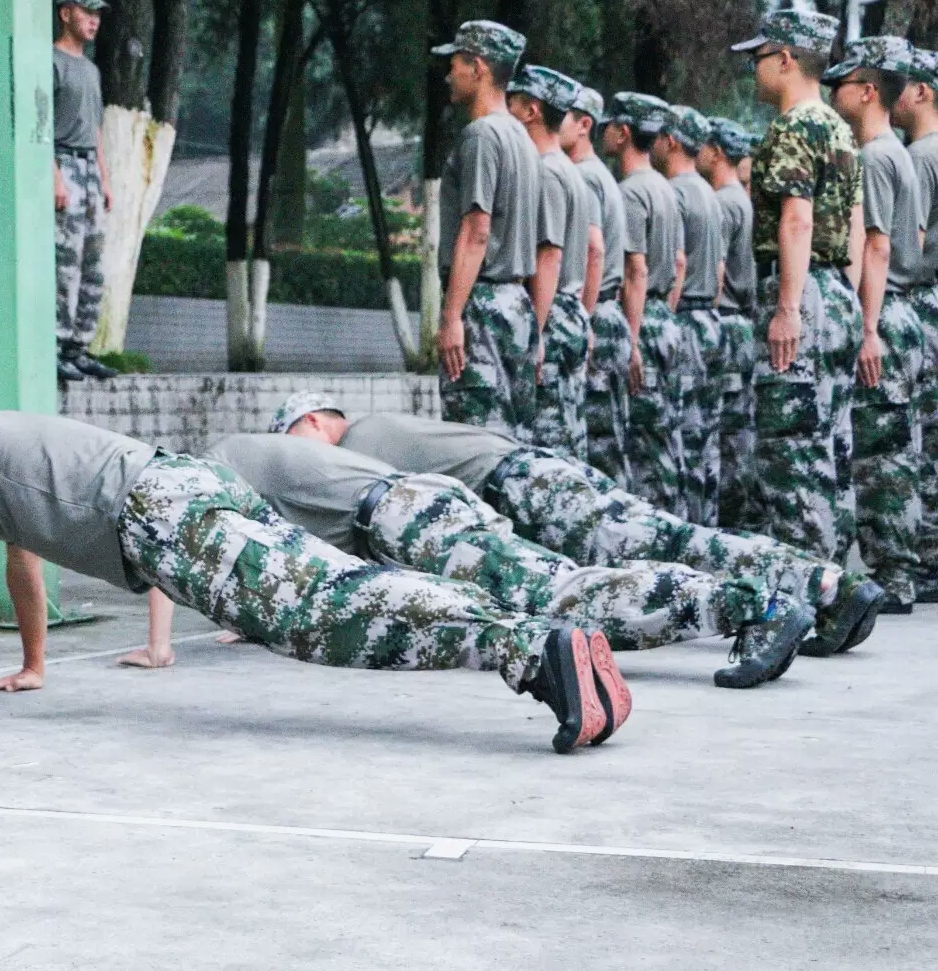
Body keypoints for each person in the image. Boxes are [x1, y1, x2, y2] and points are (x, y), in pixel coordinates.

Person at [0, 410, 631, 754]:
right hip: (183, 491)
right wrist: (35, 665)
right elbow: (24, 550)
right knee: (334, 589)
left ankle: (535, 647)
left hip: (162, 514)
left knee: (326, 612)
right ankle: (553, 646)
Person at [264, 393, 884, 658]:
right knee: (662, 542)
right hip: (537, 483)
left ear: (316, 422)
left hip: (529, 490)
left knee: (667, 542)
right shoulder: (389, 428)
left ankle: (822, 589)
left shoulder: (363, 441)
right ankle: (822, 589)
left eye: (294, 436)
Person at [207, 429, 809, 688]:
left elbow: (204, 544)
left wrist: (165, 646)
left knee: (569, 595)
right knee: (568, 587)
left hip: (408, 523)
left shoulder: (212, 464)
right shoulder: (307, 458)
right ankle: (752, 600)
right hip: (430, 510)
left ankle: (752, 605)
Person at [731, 9, 864, 563]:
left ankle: (807, 595)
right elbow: (855, 224)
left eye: (759, 59)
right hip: (835, 292)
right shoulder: (839, 128)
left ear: (785, 59)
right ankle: (840, 588)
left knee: (791, 458)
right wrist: (845, 301)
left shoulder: (793, 127)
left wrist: (789, 307)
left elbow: (796, 220)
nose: (754, 70)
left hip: (801, 290)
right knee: (829, 448)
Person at [825, 37, 926, 613]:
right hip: (900, 307)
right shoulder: (895, 153)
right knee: (893, 445)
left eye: (844, 83)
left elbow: (879, 245)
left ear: (867, 91)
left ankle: (895, 577)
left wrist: (868, 327)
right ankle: (897, 569)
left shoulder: (876, 158)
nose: (835, 91)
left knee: (882, 452)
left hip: (884, 309)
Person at [431, 20, 542, 440]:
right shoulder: (522, 138)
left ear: (477, 67)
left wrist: (452, 315)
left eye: (455, 64)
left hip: (483, 306)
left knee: (474, 445)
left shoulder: (481, 136)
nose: (448, 75)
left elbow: (477, 230)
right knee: (513, 443)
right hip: (516, 306)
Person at [508, 66, 601, 459]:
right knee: (569, 438)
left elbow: (549, 256)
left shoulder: (546, 171)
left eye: (511, 102)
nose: (504, 108)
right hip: (570, 311)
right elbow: (595, 247)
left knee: (550, 452)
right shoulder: (569, 169)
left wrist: (537, 332)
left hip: (552, 312)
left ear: (530, 111)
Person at [601, 93, 686, 516]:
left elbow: (636, 271)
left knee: (645, 445)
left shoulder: (631, 192)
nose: (604, 132)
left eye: (610, 125)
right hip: (663, 316)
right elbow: (679, 263)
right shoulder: (665, 189)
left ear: (625, 133)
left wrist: (632, 340)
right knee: (666, 435)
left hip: (643, 318)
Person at [658, 105, 726, 527]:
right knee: (704, 436)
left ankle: (684, 529)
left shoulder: (678, 193)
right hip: (710, 319)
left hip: (684, 317)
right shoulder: (708, 192)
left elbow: (677, 264)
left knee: (678, 431)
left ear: (671, 141)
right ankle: (708, 524)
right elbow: (717, 271)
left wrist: (666, 314)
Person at [51, 0, 118, 383]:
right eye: (86, 11)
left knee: (94, 264)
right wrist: (55, 176)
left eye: (97, 14)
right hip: (64, 164)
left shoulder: (90, 70)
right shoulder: (51, 61)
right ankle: (56, 346)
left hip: (91, 171)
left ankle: (80, 347)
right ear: (65, 12)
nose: (93, 20)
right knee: (66, 263)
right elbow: (40, 126)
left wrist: (105, 180)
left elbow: (95, 130)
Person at [567, 87, 633, 488]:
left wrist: (583, 318)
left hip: (598, 313)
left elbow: (594, 251)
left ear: (583, 125)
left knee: (600, 452)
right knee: (609, 442)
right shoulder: (601, 176)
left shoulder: (586, 176)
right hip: (609, 312)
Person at [892, 46, 938, 602]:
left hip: (923, 299)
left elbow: (911, 241)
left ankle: (924, 558)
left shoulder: (922, 156)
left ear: (923, 91)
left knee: (915, 435)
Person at [700, 117, 761, 530]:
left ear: (717, 152)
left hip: (725, 318)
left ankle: (729, 519)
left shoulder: (724, 202)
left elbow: (717, 270)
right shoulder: (744, 199)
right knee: (739, 426)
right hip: (744, 322)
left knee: (723, 429)